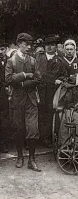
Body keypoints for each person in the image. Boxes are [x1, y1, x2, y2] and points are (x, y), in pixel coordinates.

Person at [5, 33, 41, 171]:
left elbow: (38, 79)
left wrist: (21, 82)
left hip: (31, 99)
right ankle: (20, 157)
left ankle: (32, 160)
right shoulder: (11, 61)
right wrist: (25, 76)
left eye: (30, 45)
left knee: (33, 129)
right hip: (16, 100)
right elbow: (8, 79)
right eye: (26, 44)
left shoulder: (32, 60)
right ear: (19, 44)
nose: (29, 47)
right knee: (18, 129)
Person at [35, 35, 68, 147]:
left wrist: (59, 79)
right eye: (47, 45)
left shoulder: (60, 60)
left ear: (56, 47)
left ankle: (47, 138)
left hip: (51, 92)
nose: (49, 47)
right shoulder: (38, 58)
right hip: (38, 90)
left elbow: (65, 76)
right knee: (37, 113)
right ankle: (35, 138)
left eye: (52, 45)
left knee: (49, 114)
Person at [0, 39, 9, 153]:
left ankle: (5, 143)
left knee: (6, 118)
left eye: (2, 49)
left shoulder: (10, 61)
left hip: (8, 93)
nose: (0, 51)